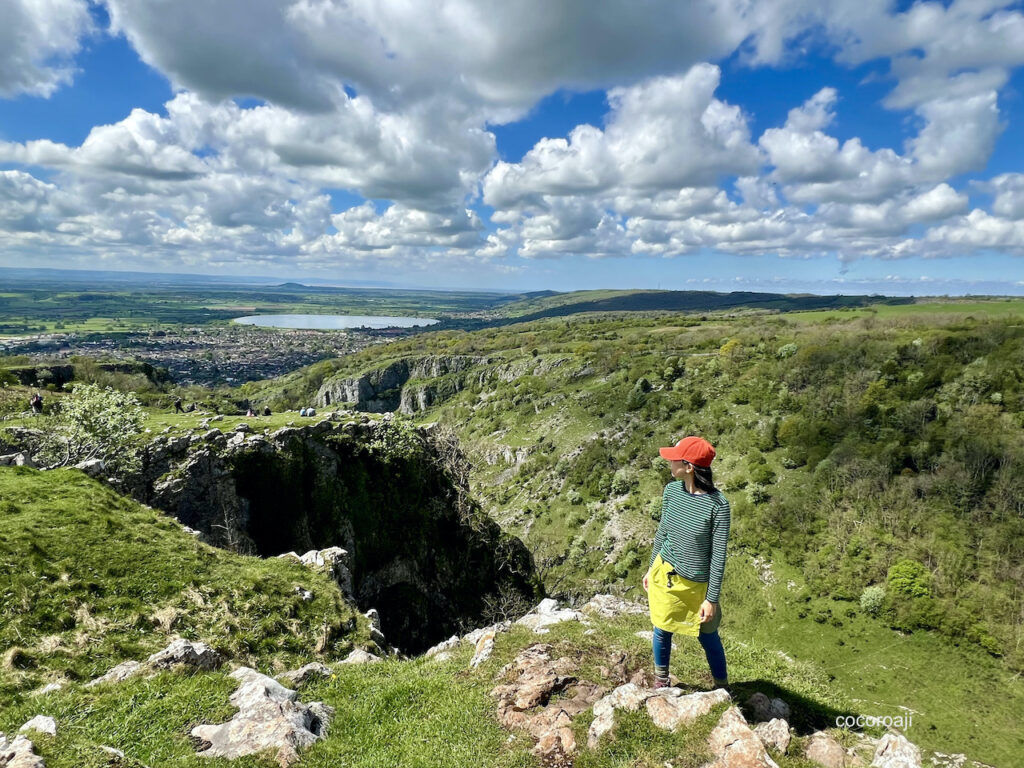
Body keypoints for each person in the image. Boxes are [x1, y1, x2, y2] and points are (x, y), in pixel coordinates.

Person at [643, 436, 731, 691]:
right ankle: (661, 680)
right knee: (661, 628)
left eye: (674, 458)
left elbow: (718, 556)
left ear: (689, 467)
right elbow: (663, 531)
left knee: (708, 637)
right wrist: (651, 567)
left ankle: (722, 688)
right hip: (666, 571)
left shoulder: (718, 506)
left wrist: (711, 599)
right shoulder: (671, 491)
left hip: (697, 585)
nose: (669, 461)